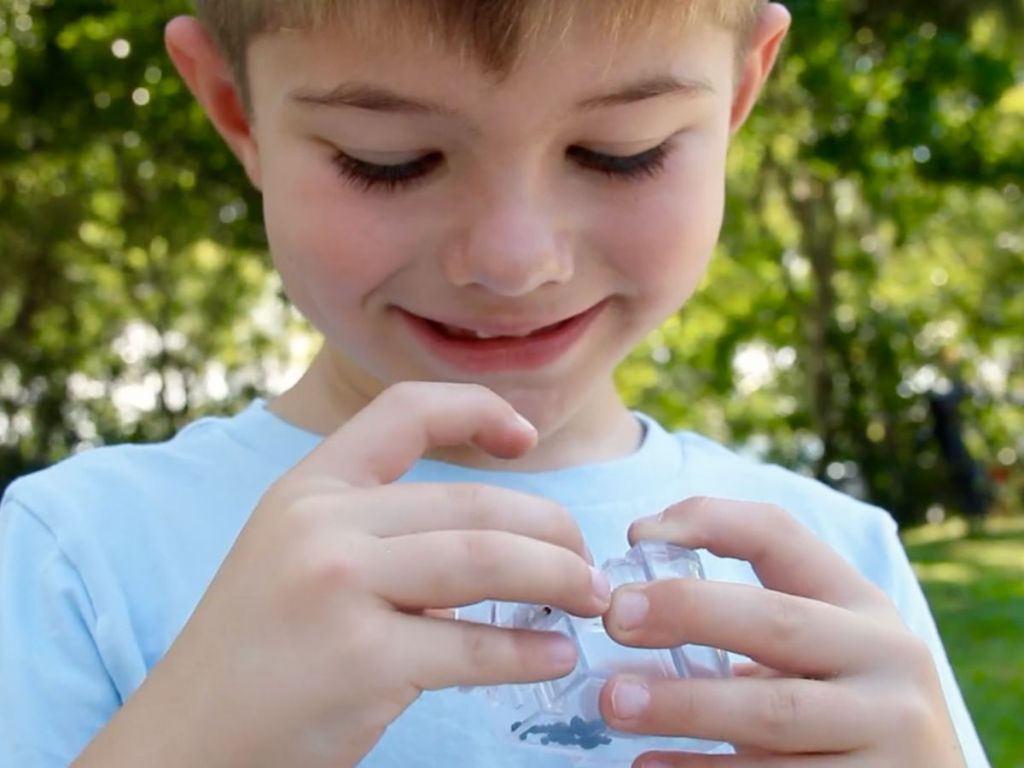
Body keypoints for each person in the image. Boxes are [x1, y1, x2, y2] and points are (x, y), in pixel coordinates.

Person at [0, 2, 988, 766]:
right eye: (388, 162)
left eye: (622, 151)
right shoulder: (75, 555)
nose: (515, 261)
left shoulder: (838, 561)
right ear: (236, 111)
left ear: (735, 98)